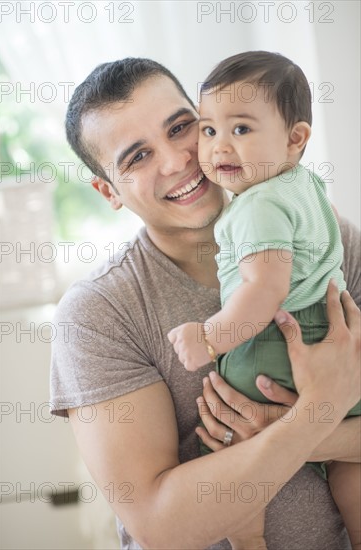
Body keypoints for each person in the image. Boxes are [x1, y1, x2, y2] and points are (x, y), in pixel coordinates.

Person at [50, 57, 361, 550]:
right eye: (137, 157)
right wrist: (320, 414)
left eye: (181, 127)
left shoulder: (328, 240)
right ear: (108, 191)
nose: (177, 161)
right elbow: (160, 524)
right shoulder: (97, 315)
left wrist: (288, 431)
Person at [167, 52, 361, 549]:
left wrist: (210, 339)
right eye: (208, 131)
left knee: (230, 450)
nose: (219, 147)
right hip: (335, 349)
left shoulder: (258, 205)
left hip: (275, 344)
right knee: (352, 466)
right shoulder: (306, 186)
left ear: (295, 139)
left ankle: (249, 541)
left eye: (242, 129)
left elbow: (264, 288)